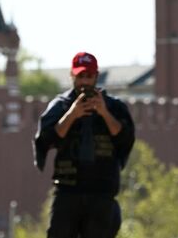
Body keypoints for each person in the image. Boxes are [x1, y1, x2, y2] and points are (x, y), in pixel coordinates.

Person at [34, 52, 135, 238]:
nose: (85, 82)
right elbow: (46, 140)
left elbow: (125, 138)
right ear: (72, 75)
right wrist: (72, 114)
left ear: (96, 77)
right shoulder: (61, 106)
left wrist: (103, 112)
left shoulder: (114, 107)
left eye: (89, 76)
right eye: (80, 76)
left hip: (102, 192)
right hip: (68, 191)